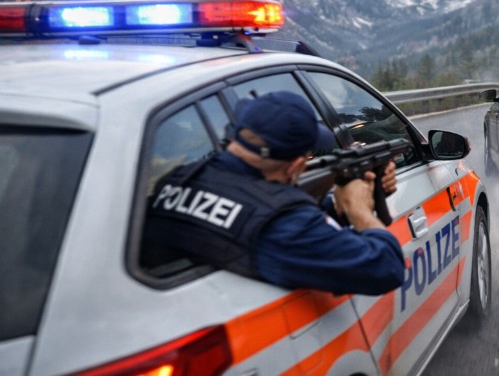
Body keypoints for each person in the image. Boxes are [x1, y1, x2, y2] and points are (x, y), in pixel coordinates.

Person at [144, 91, 405, 295]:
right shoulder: (279, 225)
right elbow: (386, 267)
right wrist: (358, 210)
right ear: (295, 166)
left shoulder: (178, 179)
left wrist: (335, 206)